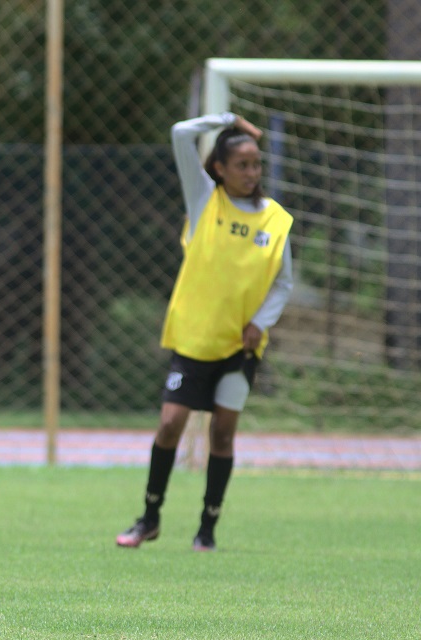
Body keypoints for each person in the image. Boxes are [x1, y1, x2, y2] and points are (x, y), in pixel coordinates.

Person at [115, 112, 294, 552]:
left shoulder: (275, 220)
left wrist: (260, 323)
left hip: (240, 347)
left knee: (223, 433)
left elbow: (283, 283)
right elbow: (180, 132)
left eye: (256, 165)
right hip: (194, 341)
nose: (252, 172)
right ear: (220, 168)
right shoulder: (204, 201)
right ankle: (150, 518)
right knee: (171, 423)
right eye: (242, 164)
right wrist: (231, 120)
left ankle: (207, 529)